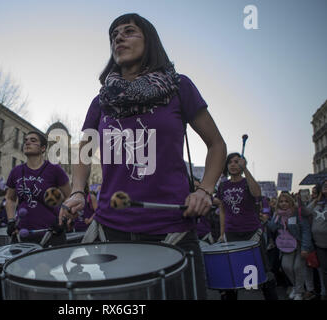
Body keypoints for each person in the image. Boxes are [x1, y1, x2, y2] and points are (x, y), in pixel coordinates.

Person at [59, 13, 226, 300]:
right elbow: (84, 152)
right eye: (114, 35)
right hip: (112, 231)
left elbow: (217, 145)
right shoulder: (100, 102)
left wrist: (205, 190)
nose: (119, 38)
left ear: (149, 41)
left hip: (171, 231)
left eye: (129, 31)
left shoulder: (179, 87)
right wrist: (77, 191)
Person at [217, 152, 278, 300]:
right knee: (231, 274)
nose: (233, 164)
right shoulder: (223, 185)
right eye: (230, 162)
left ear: (243, 164)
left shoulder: (247, 182)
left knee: (263, 272)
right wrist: (222, 233)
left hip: (252, 233)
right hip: (231, 234)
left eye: (237, 161)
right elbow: (223, 211)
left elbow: (257, 193)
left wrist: (246, 170)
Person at [5, 131, 71, 245]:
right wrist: (11, 221)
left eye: (33, 140)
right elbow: (10, 198)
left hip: (51, 233)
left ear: (43, 148)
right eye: (25, 140)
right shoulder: (16, 171)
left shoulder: (55, 170)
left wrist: (63, 220)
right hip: (22, 233)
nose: (27, 143)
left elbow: (69, 197)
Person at [267, 192, 313, 300]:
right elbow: (273, 228)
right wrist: (266, 221)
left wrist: (305, 248)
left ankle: (299, 292)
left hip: (299, 245)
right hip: (286, 246)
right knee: (286, 266)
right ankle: (297, 288)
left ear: (291, 202)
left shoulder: (298, 213)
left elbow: (306, 230)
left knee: (297, 268)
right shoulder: (278, 214)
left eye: (286, 201)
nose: (284, 204)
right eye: (281, 201)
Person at [304, 179, 327, 300]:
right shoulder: (317, 203)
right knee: (324, 271)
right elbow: (306, 211)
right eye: (324, 184)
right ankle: (324, 293)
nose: (326, 186)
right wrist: (315, 200)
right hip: (319, 244)